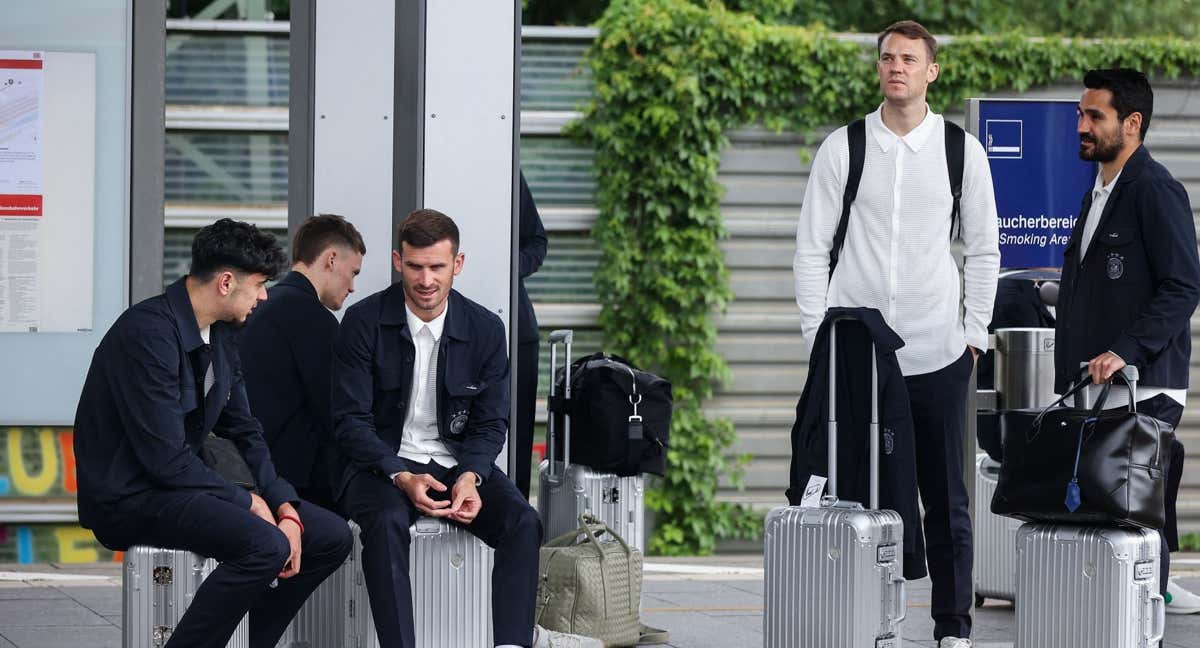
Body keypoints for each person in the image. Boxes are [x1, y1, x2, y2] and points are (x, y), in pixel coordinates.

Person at [792, 20, 1000, 648]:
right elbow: (810, 249)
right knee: (855, 497)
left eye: (910, 58)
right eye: (888, 57)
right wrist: (818, 338)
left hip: (939, 352)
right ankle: (863, 622)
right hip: (858, 358)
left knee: (946, 498)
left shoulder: (961, 151)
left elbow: (985, 249)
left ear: (931, 71)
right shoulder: (845, 147)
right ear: (878, 68)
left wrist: (974, 337)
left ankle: (953, 629)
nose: (897, 67)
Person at [73, 219, 353, 648]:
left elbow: (245, 428)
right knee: (264, 544)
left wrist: (284, 505)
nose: (264, 295)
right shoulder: (146, 335)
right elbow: (165, 459)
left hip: (181, 486)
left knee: (330, 537)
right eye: (259, 284)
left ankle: (251, 640)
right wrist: (247, 501)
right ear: (226, 282)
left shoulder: (223, 335)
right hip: (129, 495)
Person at [331, 209, 592, 648]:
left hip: (457, 466)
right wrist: (400, 474)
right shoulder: (362, 323)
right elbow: (349, 422)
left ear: (458, 264)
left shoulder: (487, 329)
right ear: (398, 262)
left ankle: (511, 644)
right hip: (383, 466)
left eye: (437, 266)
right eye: (415, 266)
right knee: (386, 522)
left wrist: (471, 476)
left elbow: (491, 423)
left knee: (523, 523)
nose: (426, 279)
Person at [1055, 68, 1200, 612]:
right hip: (1096, 390)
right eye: (1080, 114)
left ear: (1132, 124)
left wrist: (1126, 351)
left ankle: (1145, 622)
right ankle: (1110, 623)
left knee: (1137, 519)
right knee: (1106, 518)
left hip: (1144, 388)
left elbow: (1184, 284)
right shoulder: (1098, 191)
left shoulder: (1155, 189)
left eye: (1095, 116)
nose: (1081, 126)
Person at [240, 213, 366, 512]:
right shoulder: (315, 320)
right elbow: (336, 412)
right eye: (354, 273)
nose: (352, 287)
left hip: (251, 473)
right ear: (331, 259)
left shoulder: (258, 307)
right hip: (298, 485)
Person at [515, 171, 548, 499]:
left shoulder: (506, 165)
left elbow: (537, 242)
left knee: (517, 433)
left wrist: (506, 267)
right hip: (444, 318)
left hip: (516, 327)